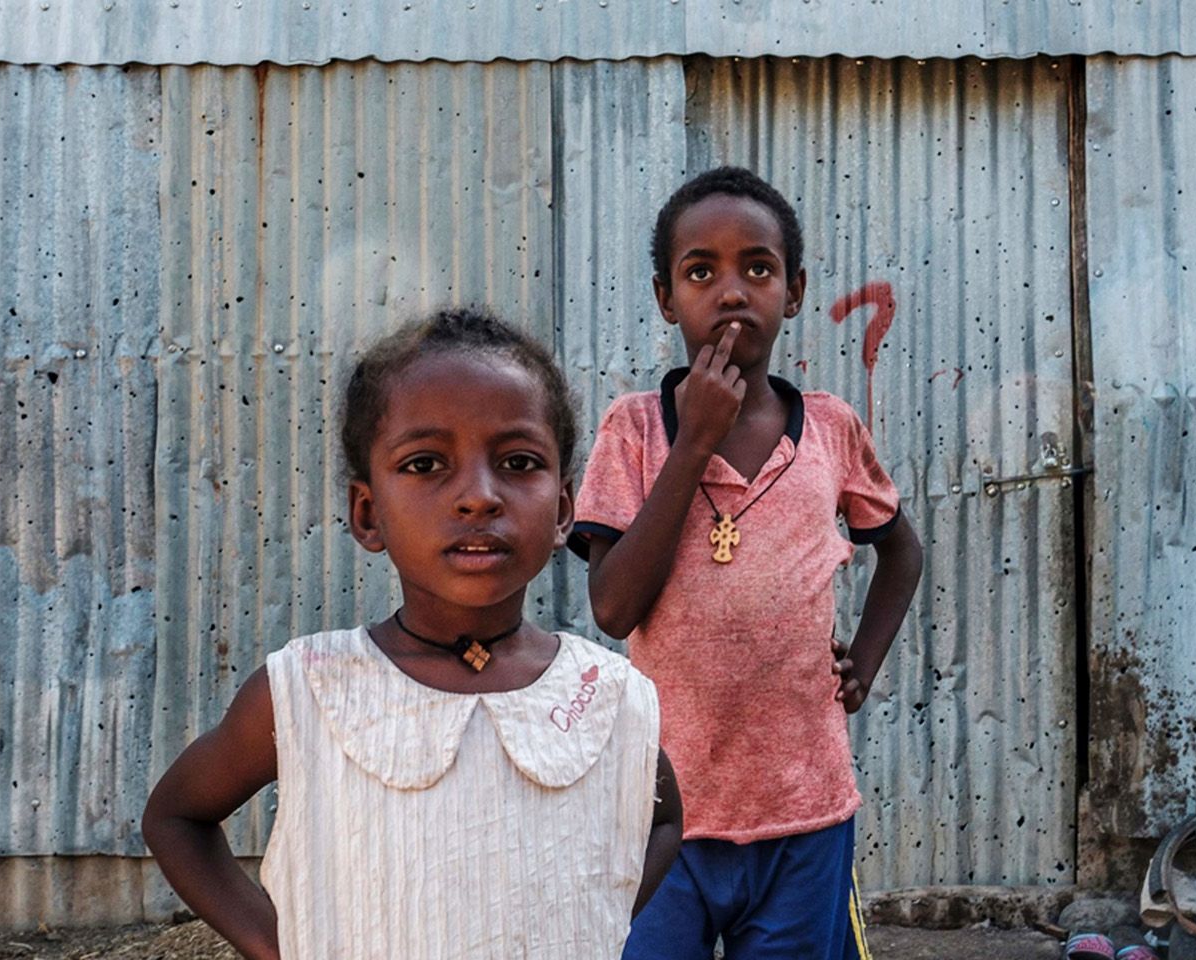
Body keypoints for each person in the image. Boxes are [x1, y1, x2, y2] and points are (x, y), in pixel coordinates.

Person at [141, 307, 683, 960]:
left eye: (517, 462)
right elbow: (175, 817)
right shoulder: (312, 690)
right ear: (368, 514)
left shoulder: (604, 694)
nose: (479, 496)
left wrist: (592, 915)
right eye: (426, 465)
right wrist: (280, 943)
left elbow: (664, 820)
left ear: (565, 509)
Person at [573, 167, 925, 960]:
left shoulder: (830, 430)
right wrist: (694, 438)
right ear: (667, 298)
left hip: (804, 809)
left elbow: (901, 551)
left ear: (794, 291)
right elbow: (613, 608)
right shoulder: (634, 430)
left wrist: (862, 662)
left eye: (757, 269)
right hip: (664, 815)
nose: (731, 292)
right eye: (702, 272)